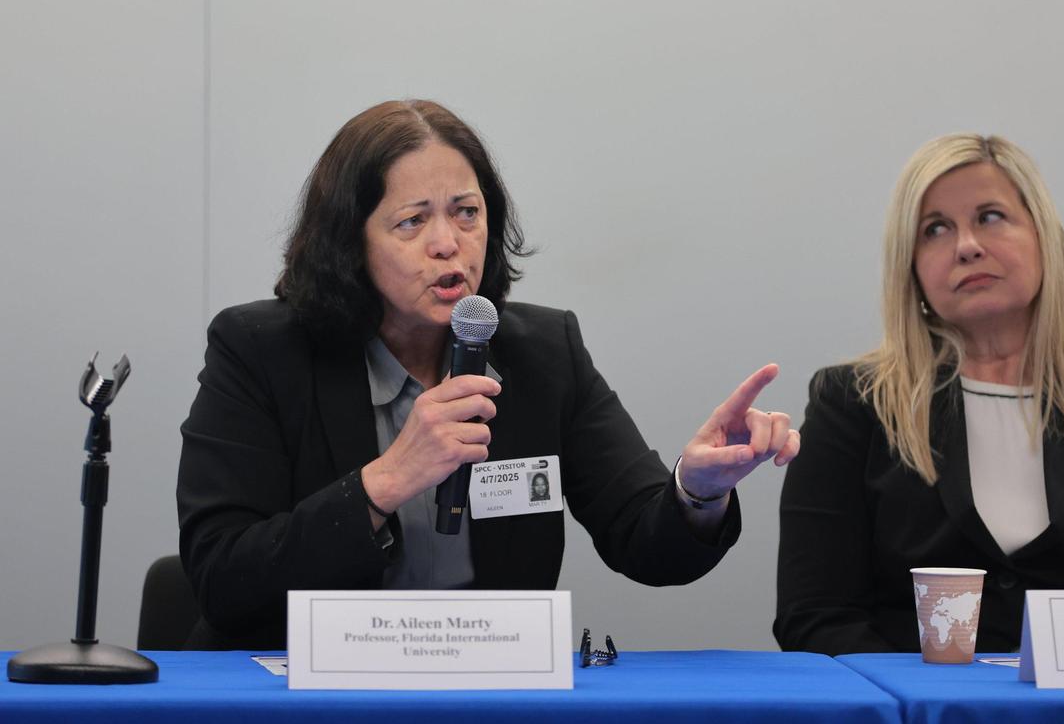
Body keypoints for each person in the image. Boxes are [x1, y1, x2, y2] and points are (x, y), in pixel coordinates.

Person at [177, 99, 800, 649]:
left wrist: (698, 490)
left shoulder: (545, 353)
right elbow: (222, 577)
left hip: (486, 693)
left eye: (466, 213)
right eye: (412, 221)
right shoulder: (260, 351)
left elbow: (646, 544)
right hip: (301, 699)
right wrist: (386, 481)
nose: (447, 243)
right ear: (350, 243)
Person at [775, 133, 1064, 655]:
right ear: (912, 269)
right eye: (936, 229)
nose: (967, 245)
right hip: (909, 701)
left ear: (1043, 237)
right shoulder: (853, 404)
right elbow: (816, 618)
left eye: (990, 216)